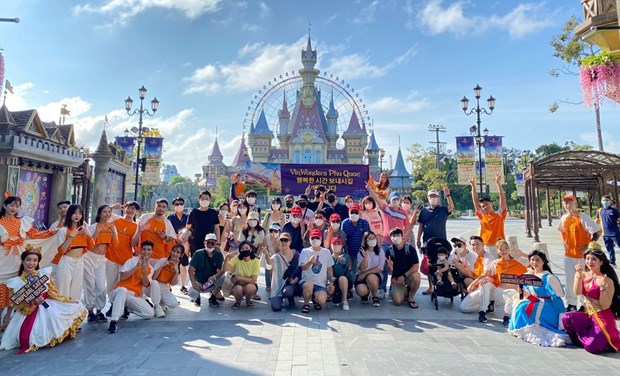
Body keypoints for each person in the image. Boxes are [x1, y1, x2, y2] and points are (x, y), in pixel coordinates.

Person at [0, 248, 87, 353]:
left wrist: (67, 301)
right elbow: (17, 305)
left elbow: (52, 293)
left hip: (47, 306)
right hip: (28, 313)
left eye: (34, 260)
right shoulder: (16, 282)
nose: (31, 263)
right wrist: (33, 303)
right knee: (29, 337)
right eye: (28, 260)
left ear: (37, 262)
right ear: (22, 261)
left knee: (72, 308)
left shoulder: (43, 274)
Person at [0, 196, 58, 331]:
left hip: (17, 257)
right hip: (3, 256)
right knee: (1, 286)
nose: (14, 208)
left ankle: (8, 317)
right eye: (11, 205)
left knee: (15, 286)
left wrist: (51, 233)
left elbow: (35, 234)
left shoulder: (22, 222)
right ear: (4, 206)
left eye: (17, 206)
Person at [562, 243, 620, 353]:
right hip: (587, 313)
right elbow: (577, 292)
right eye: (587, 259)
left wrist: (602, 289)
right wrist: (578, 275)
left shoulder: (607, 280)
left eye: (594, 259)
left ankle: (600, 340)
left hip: (602, 316)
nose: (589, 262)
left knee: (592, 347)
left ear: (601, 262)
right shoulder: (582, 274)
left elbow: (605, 305)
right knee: (567, 318)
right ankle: (581, 340)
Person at [508, 250, 569, 347]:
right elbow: (525, 291)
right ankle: (522, 328)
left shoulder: (548, 277)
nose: (534, 263)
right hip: (534, 300)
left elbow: (558, 295)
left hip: (549, 304)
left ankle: (535, 327)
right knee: (519, 305)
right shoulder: (529, 275)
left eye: (537, 260)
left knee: (523, 307)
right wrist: (522, 292)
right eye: (532, 260)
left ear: (543, 262)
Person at [366, 186, 416, 299]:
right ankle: (382, 288)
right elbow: (378, 201)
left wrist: (404, 236)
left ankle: (395, 286)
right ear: (390, 200)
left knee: (397, 265)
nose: (395, 201)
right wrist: (371, 190)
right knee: (383, 264)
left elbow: (407, 226)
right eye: (393, 199)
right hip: (386, 242)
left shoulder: (403, 213)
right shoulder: (386, 209)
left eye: (397, 199)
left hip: (399, 243)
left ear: (399, 200)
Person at [465, 239, 528, 325]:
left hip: (513, 290)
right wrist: (488, 279)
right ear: (497, 251)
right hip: (499, 291)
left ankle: (507, 316)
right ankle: (483, 311)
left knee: (512, 293)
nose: (504, 251)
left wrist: (523, 254)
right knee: (484, 283)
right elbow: (493, 278)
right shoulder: (495, 263)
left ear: (509, 249)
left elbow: (537, 261)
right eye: (501, 249)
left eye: (506, 248)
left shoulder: (519, 262)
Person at [558, 194, 601, 311]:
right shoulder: (564, 218)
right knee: (569, 280)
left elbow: (598, 231)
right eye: (565, 202)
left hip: (582, 257)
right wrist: (565, 244)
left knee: (584, 279)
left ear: (576, 204)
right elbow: (561, 231)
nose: (567, 204)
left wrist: (588, 245)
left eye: (570, 202)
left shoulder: (583, 217)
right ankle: (571, 304)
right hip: (568, 256)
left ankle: (583, 303)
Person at [107, 241, 156, 334]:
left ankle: (126, 307)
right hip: (120, 291)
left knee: (149, 313)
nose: (146, 252)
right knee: (123, 290)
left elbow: (145, 284)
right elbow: (122, 277)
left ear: (152, 252)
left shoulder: (150, 268)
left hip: (133, 296)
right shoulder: (131, 261)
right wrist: (137, 267)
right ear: (140, 250)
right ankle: (113, 322)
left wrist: (144, 271)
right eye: (144, 249)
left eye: (149, 250)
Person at [105, 201, 140, 317]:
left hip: (125, 260)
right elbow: (102, 216)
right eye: (128, 208)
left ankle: (123, 307)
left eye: (133, 209)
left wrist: (140, 230)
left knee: (122, 285)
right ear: (124, 208)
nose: (130, 211)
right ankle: (112, 304)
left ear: (136, 212)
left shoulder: (136, 226)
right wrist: (111, 207)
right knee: (110, 284)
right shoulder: (115, 219)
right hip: (110, 257)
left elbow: (133, 243)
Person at [84, 205, 118, 324]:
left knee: (101, 286)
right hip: (89, 257)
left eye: (109, 212)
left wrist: (114, 232)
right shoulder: (92, 227)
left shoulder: (111, 227)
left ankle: (99, 310)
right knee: (89, 284)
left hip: (102, 259)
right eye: (105, 212)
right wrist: (97, 232)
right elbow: (89, 245)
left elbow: (115, 244)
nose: (107, 214)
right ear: (99, 214)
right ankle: (90, 311)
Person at [56, 204, 94, 302]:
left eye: (80, 213)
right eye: (75, 213)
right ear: (70, 214)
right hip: (67, 261)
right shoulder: (63, 230)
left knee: (76, 289)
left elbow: (91, 247)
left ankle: (72, 314)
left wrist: (89, 236)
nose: (77, 216)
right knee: (63, 288)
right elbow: (61, 251)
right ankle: (61, 313)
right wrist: (71, 236)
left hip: (80, 261)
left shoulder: (83, 230)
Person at [469, 173, 507, 256]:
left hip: (499, 246)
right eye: (483, 206)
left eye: (487, 204)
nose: (485, 207)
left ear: (491, 203)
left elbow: (502, 198)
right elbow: (475, 201)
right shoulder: (482, 216)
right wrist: (473, 186)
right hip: (486, 246)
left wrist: (498, 183)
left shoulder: (500, 214)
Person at [299, 229, 334, 313]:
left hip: (320, 283)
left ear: (321, 239)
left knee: (322, 300)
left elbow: (329, 268)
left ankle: (315, 299)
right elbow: (303, 267)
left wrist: (331, 282)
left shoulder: (326, 252)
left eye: (317, 238)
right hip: (306, 282)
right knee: (309, 285)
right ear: (310, 239)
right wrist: (310, 262)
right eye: (313, 238)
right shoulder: (305, 251)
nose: (315, 240)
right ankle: (306, 303)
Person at [385, 227, 421, 308]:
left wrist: (404, 276)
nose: (396, 237)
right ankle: (405, 291)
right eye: (393, 236)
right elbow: (390, 272)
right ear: (390, 238)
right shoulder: (389, 251)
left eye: (398, 235)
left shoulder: (410, 249)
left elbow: (416, 266)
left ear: (402, 236)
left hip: (408, 276)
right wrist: (390, 267)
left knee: (416, 276)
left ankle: (411, 297)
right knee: (397, 302)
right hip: (397, 279)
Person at [188, 234, 225, 307]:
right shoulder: (198, 253)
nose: (210, 245)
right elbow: (190, 269)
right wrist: (194, 283)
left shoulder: (218, 255)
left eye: (212, 243)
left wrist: (214, 277)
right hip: (198, 282)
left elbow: (223, 269)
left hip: (210, 282)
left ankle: (213, 297)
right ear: (204, 243)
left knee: (223, 279)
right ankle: (197, 298)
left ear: (216, 244)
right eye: (208, 242)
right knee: (192, 292)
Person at [137, 199, 177, 266]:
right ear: (154, 206)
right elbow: (136, 232)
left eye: (163, 207)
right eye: (159, 206)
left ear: (166, 209)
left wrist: (165, 237)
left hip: (159, 257)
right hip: (144, 254)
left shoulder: (167, 222)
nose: (161, 208)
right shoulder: (145, 217)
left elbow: (172, 239)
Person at [149, 244, 182, 317]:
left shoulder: (178, 266)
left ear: (180, 255)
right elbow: (153, 278)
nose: (175, 254)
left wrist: (176, 272)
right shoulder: (163, 260)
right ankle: (156, 306)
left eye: (178, 252)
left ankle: (161, 302)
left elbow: (173, 284)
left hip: (164, 287)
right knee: (154, 283)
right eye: (174, 251)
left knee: (174, 304)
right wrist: (162, 266)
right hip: (153, 285)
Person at [270, 232, 300, 312]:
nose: (284, 242)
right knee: (275, 307)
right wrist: (266, 254)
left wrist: (297, 278)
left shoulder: (297, 255)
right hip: (279, 285)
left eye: (286, 240)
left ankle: (291, 299)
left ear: (290, 242)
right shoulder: (277, 256)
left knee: (287, 291)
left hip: (293, 284)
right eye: (281, 240)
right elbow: (269, 263)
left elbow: (301, 269)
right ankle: (280, 299)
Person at [225, 241, 260, 309]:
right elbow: (225, 269)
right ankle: (237, 302)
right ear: (240, 250)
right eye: (242, 249)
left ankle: (248, 300)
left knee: (250, 287)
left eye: (247, 248)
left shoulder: (256, 261)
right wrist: (227, 257)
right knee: (237, 289)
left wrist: (239, 278)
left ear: (251, 249)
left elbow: (253, 280)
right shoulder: (236, 259)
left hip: (250, 284)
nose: (245, 250)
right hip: (238, 284)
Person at [355, 231, 385, 308]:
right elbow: (362, 269)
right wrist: (365, 258)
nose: (372, 240)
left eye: (373, 238)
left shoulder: (380, 251)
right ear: (365, 240)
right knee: (361, 291)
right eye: (369, 238)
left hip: (375, 274)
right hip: (362, 274)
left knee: (371, 277)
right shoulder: (361, 252)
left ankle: (375, 296)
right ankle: (366, 293)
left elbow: (380, 268)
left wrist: (366, 273)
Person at [187, 190, 220, 257]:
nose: (204, 200)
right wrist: (187, 244)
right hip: (195, 242)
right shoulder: (194, 212)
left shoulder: (213, 212)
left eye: (207, 199)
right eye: (202, 199)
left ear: (210, 200)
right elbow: (188, 228)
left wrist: (218, 242)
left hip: (210, 242)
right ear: (199, 200)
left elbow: (216, 228)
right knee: (196, 263)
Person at [167, 197, 189, 295]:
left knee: (184, 265)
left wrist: (187, 244)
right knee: (171, 264)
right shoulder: (170, 218)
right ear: (173, 206)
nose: (179, 205)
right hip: (173, 244)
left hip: (184, 244)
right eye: (177, 204)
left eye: (181, 203)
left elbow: (190, 230)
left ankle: (183, 286)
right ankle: (168, 286)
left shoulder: (187, 217)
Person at [341, 204, 370, 275]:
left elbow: (368, 238)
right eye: (352, 212)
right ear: (348, 213)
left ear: (359, 213)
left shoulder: (364, 223)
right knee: (351, 274)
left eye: (356, 212)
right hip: (349, 253)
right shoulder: (344, 223)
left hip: (362, 254)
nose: (354, 214)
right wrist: (348, 256)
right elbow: (343, 241)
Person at [330, 237, 354, 311]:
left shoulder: (345, 256)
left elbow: (345, 262)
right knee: (335, 301)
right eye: (334, 244)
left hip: (345, 281)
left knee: (342, 278)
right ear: (331, 245)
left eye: (338, 244)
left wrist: (342, 260)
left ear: (342, 246)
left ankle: (345, 300)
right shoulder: (329, 256)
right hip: (333, 281)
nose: (336, 246)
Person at [596, 195, 619, 266]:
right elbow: (597, 221)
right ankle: (612, 262)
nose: (605, 202)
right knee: (610, 249)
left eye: (607, 200)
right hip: (605, 234)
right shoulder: (600, 211)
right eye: (604, 200)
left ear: (610, 201)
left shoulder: (614, 211)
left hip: (615, 233)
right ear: (601, 201)